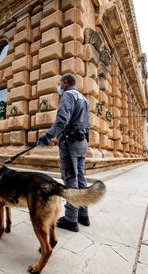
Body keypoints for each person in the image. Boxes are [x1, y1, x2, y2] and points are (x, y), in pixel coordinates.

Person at [37, 73, 90, 232]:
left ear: (65, 83)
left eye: (60, 83)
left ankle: (71, 219)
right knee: (80, 177)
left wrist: (48, 136)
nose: (59, 87)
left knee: (70, 177)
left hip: (70, 143)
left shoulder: (68, 95)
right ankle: (83, 214)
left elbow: (62, 120)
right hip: (82, 142)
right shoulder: (83, 98)